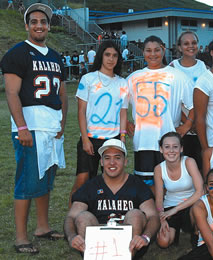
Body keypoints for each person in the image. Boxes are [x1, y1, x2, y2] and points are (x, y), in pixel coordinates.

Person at [0, 3, 67, 254]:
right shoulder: (17, 53)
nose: (39, 25)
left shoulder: (55, 55)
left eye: (44, 22)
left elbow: (62, 91)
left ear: (49, 26)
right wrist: (22, 127)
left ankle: (42, 227)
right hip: (31, 126)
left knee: (46, 179)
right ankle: (20, 237)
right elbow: (12, 92)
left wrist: (62, 121)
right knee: (26, 181)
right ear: (27, 25)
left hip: (51, 126)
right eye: (34, 21)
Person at [64, 139, 160, 259]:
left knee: (135, 214)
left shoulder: (137, 184)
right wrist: (72, 237)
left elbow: (153, 216)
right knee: (82, 217)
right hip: (98, 242)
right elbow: (71, 216)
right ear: (102, 162)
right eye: (107, 158)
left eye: (117, 158)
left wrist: (145, 237)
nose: (112, 163)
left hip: (131, 243)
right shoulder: (91, 185)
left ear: (125, 161)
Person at [126, 35, 194, 191]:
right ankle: (151, 215)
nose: (153, 54)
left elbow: (193, 105)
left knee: (169, 185)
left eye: (157, 50)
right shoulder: (133, 78)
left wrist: (187, 126)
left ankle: (167, 214)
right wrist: (126, 124)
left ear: (163, 49)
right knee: (146, 187)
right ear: (143, 52)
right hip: (144, 142)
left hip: (169, 141)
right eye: (148, 50)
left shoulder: (178, 76)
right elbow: (119, 104)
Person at [68, 40, 129, 208]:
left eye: (115, 55)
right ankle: (72, 217)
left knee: (110, 181)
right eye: (107, 54)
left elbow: (123, 112)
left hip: (112, 138)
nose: (111, 59)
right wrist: (85, 139)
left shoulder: (122, 83)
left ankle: (101, 216)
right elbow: (81, 111)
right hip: (91, 137)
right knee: (83, 179)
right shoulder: (88, 79)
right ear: (101, 55)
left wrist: (122, 138)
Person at [154, 132, 204, 248]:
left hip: (191, 204)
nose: (171, 150)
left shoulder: (189, 162)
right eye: (167, 147)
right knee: (163, 242)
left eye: (175, 147)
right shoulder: (158, 169)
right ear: (161, 149)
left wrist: (175, 209)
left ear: (181, 149)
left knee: (197, 212)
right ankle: (176, 231)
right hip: (170, 207)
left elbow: (200, 191)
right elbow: (159, 199)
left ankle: (196, 233)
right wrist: (162, 219)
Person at [170, 31, 208, 169]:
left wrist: (197, 122)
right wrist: (188, 123)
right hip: (182, 126)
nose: (191, 46)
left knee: (201, 165)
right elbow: (172, 100)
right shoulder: (172, 67)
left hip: (201, 125)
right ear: (179, 47)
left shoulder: (203, 67)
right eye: (186, 43)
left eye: (194, 43)